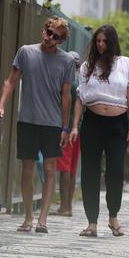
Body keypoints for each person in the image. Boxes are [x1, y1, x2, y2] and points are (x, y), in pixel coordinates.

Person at [0, 17, 75, 233]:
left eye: (55, 36)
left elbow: (66, 96)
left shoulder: (66, 61)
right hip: (27, 119)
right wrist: (1, 105)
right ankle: (28, 218)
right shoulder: (26, 52)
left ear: (61, 40)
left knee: (50, 168)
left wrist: (65, 127)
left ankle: (43, 219)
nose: (50, 38)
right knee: (27, 168)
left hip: (52, 123)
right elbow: (11, 81)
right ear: (44, 30)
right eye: (48, 32)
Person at [69, 25, 129, 237]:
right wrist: (74, 126)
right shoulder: (87, 66)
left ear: (112, 42)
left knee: (115, 171)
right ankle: (92, 222)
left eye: (105, 41)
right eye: (98, 41)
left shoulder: (125, 63)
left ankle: (113, 217)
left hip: (118, 123)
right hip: (92, 122)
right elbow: (80, 99)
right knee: (90, 171)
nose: (101, 45)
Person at [51, 51, 82, 217]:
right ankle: (67, 206)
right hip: (77, 129)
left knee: (64, 169)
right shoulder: (80, 83)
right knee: (71, 169)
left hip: (67, 129)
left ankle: (64, 207)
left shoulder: (69, 84)